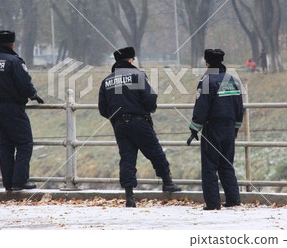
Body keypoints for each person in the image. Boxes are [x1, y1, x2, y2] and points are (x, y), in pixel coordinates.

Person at [98, 46, 181, 207]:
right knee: (155, 152)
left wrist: (115, 118)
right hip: (139, 122)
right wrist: (146, 111)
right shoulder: (138, 75)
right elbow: (150, 99)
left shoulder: (107, 81)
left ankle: (129, 196)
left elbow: (103, 109)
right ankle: (167, 182)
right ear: (130, 60)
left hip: (120, 125)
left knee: (127, 159)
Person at [0, 30, 44, 192]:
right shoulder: (15, 62)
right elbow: (24, 83)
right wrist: (33, 94)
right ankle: (20, 181)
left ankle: (8, 182)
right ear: (13, 44)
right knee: (24, 143)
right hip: (13, 107)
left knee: (5, 145)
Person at [187, 49, 244, 210]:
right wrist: (236, 128)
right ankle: (233, 199)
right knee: (227, 164)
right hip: (229, 128)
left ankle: (212, 203)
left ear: (207, 63)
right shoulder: (233, 80)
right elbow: (239, 107)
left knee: (210, 166)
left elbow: (201, 107)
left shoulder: (207, 81)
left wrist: (194, 128)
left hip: (213, 128)